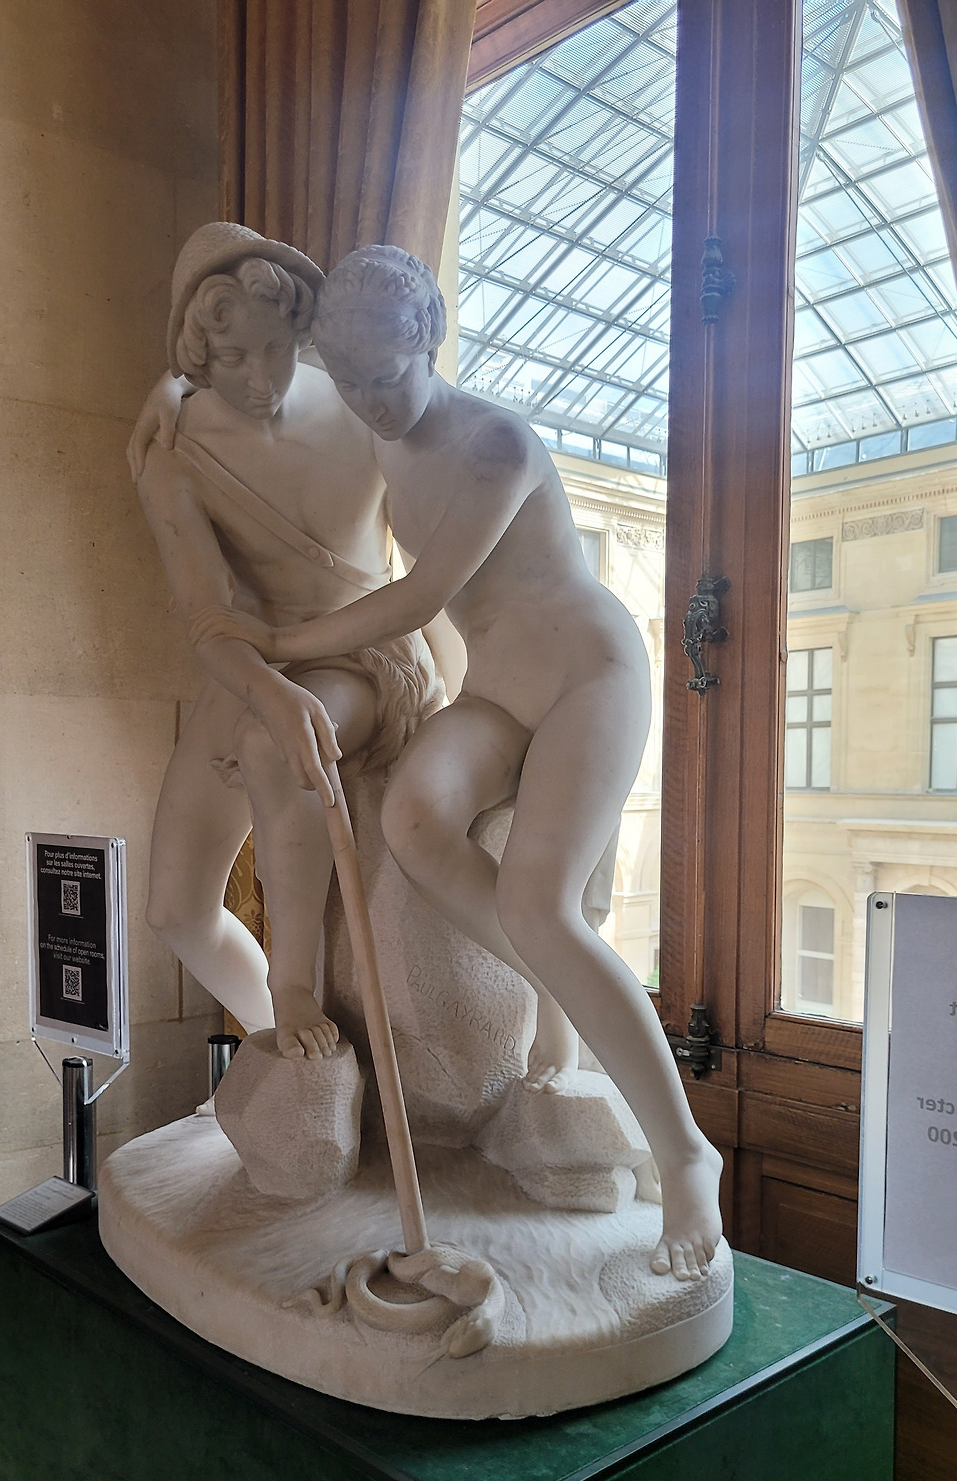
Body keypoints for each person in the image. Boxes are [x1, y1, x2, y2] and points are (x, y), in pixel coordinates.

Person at [198, 245, 723, 1281]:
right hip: (494, 695)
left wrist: (277, 648)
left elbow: (418, 596)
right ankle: (564, 984)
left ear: (429, 342)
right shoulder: (372, 425)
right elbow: (245, 408)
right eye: (350, 378)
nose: (369, 401)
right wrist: (167, 411)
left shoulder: (494, 444)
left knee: (537, 904)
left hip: (586, 676)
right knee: (412, 819)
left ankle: (683, 1152)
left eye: (387, 376)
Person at [131, 223, 439, 1062]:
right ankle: (292, 1060)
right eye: (233, 358)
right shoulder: (176, 452)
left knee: (276, 746)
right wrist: (265, 685)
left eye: (274, 349)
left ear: (302, 331)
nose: (260, 379)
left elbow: (440, 553)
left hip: (368, 657)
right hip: (249, 664)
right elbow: (209, 619)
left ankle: (292, 984)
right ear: (198, 350)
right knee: (174, 909)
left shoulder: (363, 405)